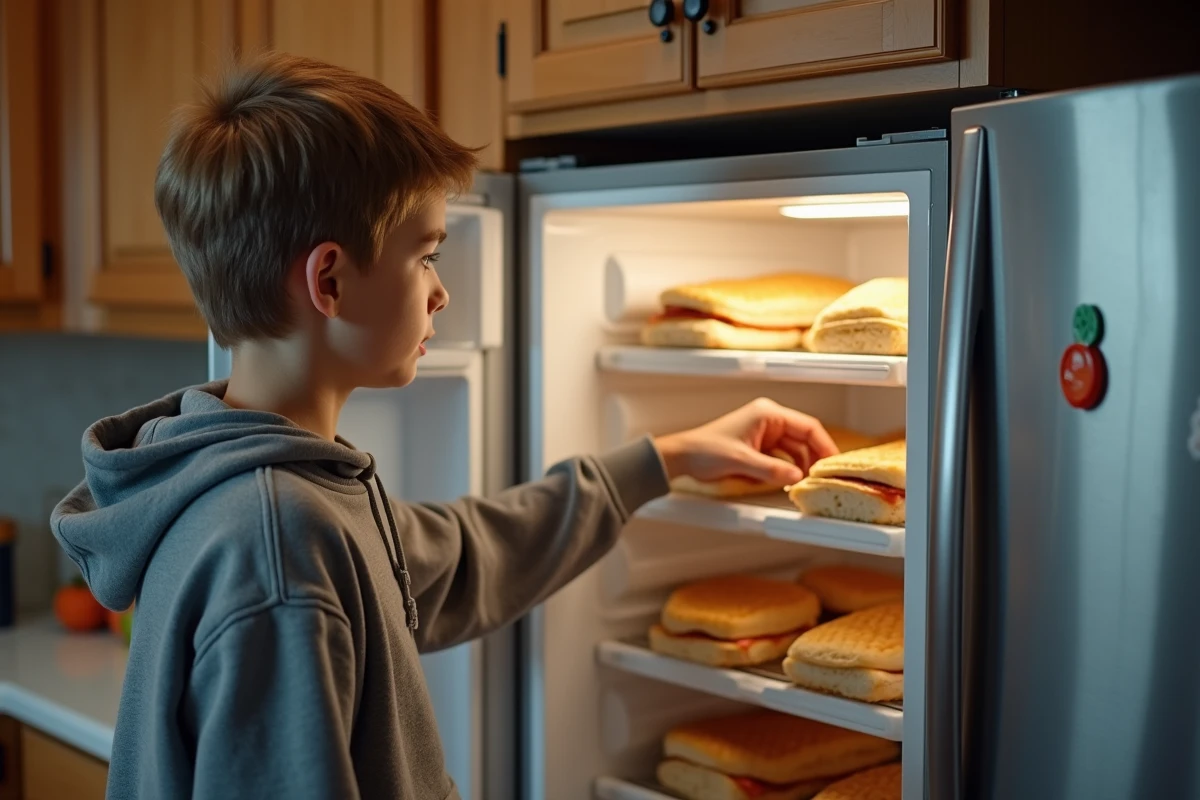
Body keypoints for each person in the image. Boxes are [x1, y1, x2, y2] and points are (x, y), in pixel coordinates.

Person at [50, 52, 838, 800]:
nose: (440, 292)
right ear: (330, 280)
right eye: (425, 255)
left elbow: (458, 557)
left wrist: (666, 458)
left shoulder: (265, 485)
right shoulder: (278, 543)